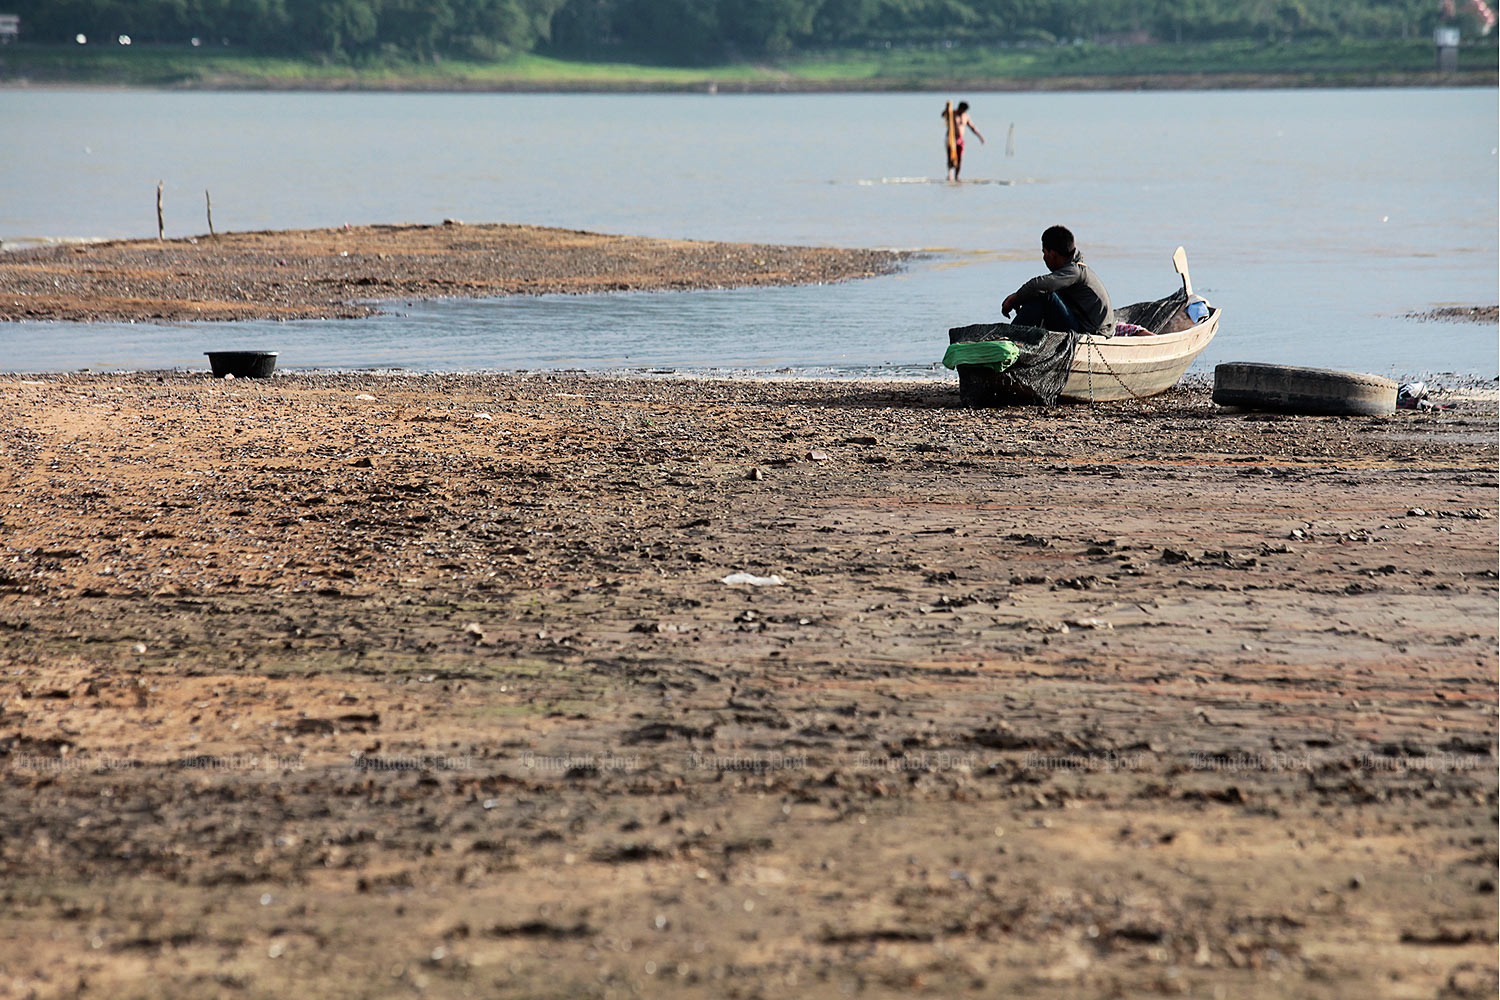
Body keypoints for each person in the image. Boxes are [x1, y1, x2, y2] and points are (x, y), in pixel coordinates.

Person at [1001, 225, 1115, 338]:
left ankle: (1010, 337)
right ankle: (1016, 335)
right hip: (1086, 324)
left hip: (1091, 332)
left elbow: (1037, 285)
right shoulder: (1072, 269)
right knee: (1038, 293)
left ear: (1053, 254)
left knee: (1044, 294)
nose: (1044, 258)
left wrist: (1014, 299)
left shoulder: (1074, 271)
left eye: (1044, 253)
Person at [942, 101, 985, 181]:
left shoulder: (965, 116)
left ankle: (957, 176)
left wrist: (980, 137)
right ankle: (950, 174)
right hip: (950, 138)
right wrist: (947, 108)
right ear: (959, 108)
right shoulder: (952, 113)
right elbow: (943, 115)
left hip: (960, 139)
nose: (964, 112)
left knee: (960, 158)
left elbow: (972, 127)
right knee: (951, 156)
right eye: (963, 110)